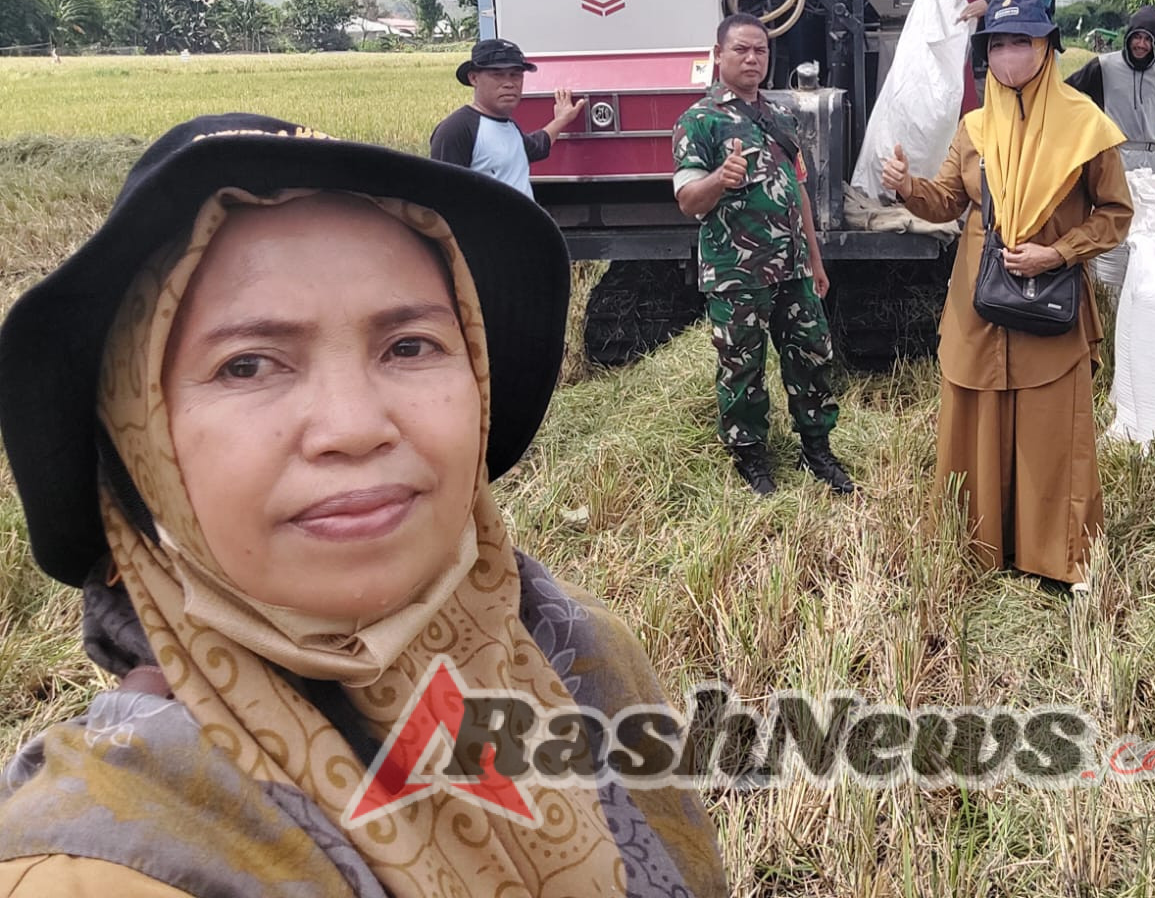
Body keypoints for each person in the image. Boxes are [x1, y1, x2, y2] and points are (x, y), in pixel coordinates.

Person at [0, 113, 728, 896]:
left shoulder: (580, 651)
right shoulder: (95, 866)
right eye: (248, 365)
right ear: (137, 433)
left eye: (409, 346)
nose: (352, 427)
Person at [879, 0, 1132, 592]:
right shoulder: (975, 128)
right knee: (976, 426)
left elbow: (1116, 215)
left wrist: (1057, 252)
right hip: (981, 303)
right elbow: (946, 201)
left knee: (1051, 435)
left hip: (1049, 304)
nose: (1008, 55)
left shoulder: (1085, 126)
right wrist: (907, 187)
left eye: (1022, 41)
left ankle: (1055, 559)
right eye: (997, 44)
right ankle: (980, 550)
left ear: (1047, 48)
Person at [671, 14, 854, 497]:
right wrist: (720, 178)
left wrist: (815, 261)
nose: (752, 59)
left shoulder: (780, 117)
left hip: (793, 269)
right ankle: (752, 458)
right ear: (718, 55)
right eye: (741, 50)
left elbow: (798, 190)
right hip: (737, 273)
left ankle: (817, 449)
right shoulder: (699, 121)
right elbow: (687, 200)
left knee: (812, 356)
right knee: (742, 370)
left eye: (761, 50)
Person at [430, 36, 587, 198]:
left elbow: (536, 147)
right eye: (498, 75)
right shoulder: (456, 130)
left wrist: (562, 119)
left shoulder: (509, 126)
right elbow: (443, 197)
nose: (509, 84)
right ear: (474, 78)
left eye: (515, 75)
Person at [1064, 4, 1155, 176]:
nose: (1141, 44)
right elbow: (1067, 90)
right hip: (1113, 155)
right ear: (1128, 36)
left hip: (1150, 158)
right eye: (1137, 37)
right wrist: (1091, 119)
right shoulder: (1104, 65)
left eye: (1148, 39)